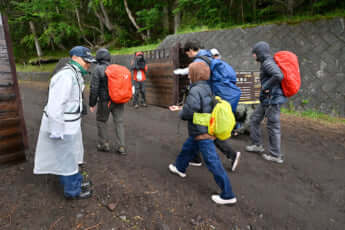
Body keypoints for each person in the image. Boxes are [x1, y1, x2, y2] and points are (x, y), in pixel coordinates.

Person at [168, 62, 237, 205]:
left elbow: (190, 110)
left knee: (212, 161)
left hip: (201, 131)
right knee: (188, 147)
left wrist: (181, 113)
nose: (188, 75)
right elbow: (204, 108)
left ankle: (228, 194)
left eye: (190, 73)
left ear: (196, 75)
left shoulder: (195, 90)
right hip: (205, 128)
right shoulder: (208, 88)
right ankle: (179, 167)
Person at [33, 46, 96, 199]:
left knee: (71, 156)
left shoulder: (75, 74)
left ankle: (76, 181)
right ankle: (72, 191)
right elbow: (56, 106)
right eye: (86, 61)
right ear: (75, 58)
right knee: (66, 159)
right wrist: (56, 130)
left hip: (71, 125)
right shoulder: (65, 77)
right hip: (63, 127)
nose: (88, 65)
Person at [174, 40, 241, 171]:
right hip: (213, 97)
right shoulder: (209, 55)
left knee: (204, 130)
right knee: (203, 128)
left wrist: (178, 72)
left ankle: (231, 155)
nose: (188, 56)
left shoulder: (199, 61)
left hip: (207, 99)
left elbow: (195, 73)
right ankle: (196, 157)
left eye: (187, 53)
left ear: (191, 50)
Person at [245, 41, 287, 164]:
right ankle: (257, 144)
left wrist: (265, 87)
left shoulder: (268, 62)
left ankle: (275, 155)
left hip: (273, 100)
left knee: (273, 126)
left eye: (255, 53)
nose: (253, 56)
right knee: (254, 119)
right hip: (267, 99)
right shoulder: (265, 62)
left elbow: (278, 75)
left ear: (260, 53)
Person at [89, 48, 127, 155]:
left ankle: (103, 144)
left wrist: (92, 103)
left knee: (101, 121)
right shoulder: (115, 68)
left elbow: (94, 88)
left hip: (105, 101)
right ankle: (121, 146)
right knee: (119, 122)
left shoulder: (98, 69)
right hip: (119, 100)